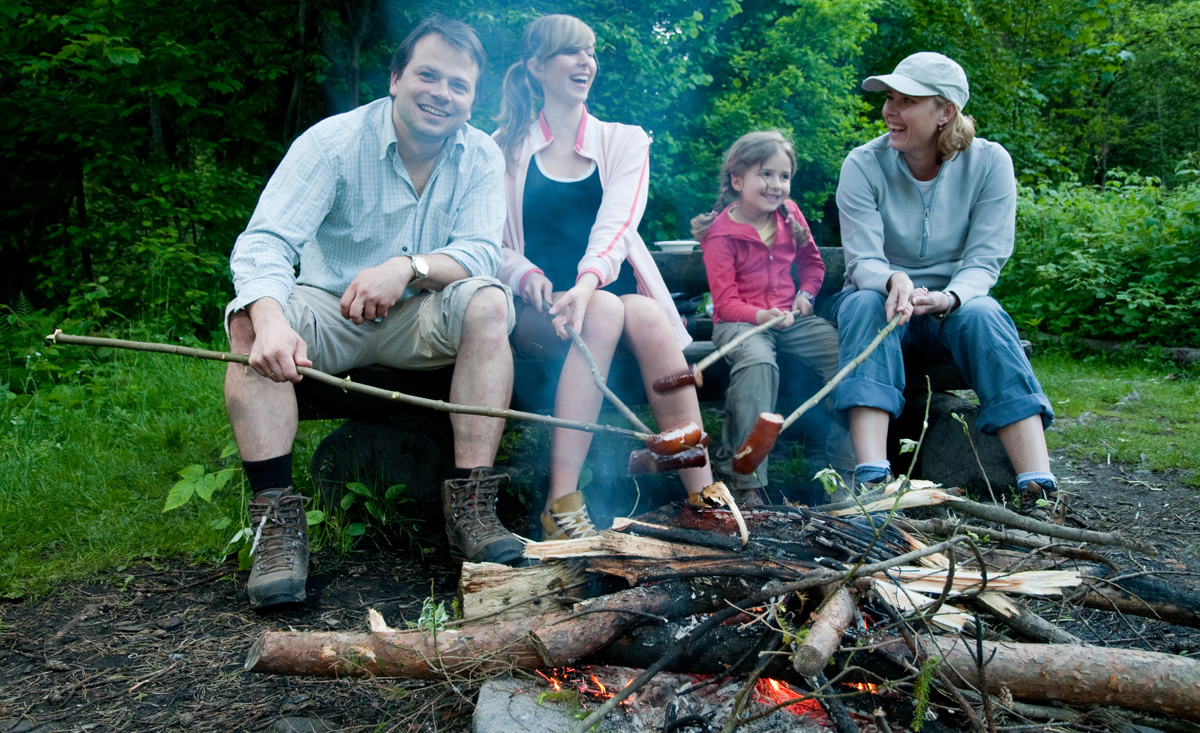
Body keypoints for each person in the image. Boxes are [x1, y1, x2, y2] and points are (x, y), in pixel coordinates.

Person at [226, 14, 522, 609]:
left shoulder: (482, 154)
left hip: (421, 316)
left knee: (489, 301)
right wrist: (273, 318)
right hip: (328, 313)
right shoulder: (331, 143)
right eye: (428, 76)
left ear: (471, 99)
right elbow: (265, 244)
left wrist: (407, 267)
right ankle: (276, 525)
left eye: (458, 85)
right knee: (246, 322)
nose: (441, 94)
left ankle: (472, 507)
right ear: (395, 77)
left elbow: (481, 252)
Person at [493, 14, 715, 539]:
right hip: (537, 314)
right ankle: (562, 503)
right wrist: (527, 276)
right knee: (608, 308)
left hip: (602, 293)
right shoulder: (502, 146)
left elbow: (618, 227)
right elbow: (491, 243)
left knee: (646, 317)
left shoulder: (624, 141)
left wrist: (586, 285)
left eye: (590, 52)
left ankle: (704, 494)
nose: (586, 62)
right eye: (571, 52)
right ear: (536, 67)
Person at [833, 52, 1059, 511]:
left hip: (951, 308)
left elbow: (985, 260)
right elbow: (862, 260)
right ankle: (873, 480)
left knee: (985, 313)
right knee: (860, 304)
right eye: (889, 98)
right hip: (881, 300)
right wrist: (893, 278)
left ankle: (1038, 485)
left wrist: (949, 297)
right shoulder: (863, 164)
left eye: (906, 100)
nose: (889, 111)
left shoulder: (990, 163)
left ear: (946, 112)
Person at [691, 131, 848, 501]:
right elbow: (725, 303)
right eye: (765, 174)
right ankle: (744, 479)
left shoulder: (789, 215)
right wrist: (762, 315)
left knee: (845, 352)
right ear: (737, 179)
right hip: (741, 322)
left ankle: (847, 465)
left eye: (784, 176)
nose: (775, 185)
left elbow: (813, 265)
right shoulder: (720, 235)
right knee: (759, 364)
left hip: (789, 318)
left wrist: (806, 295)